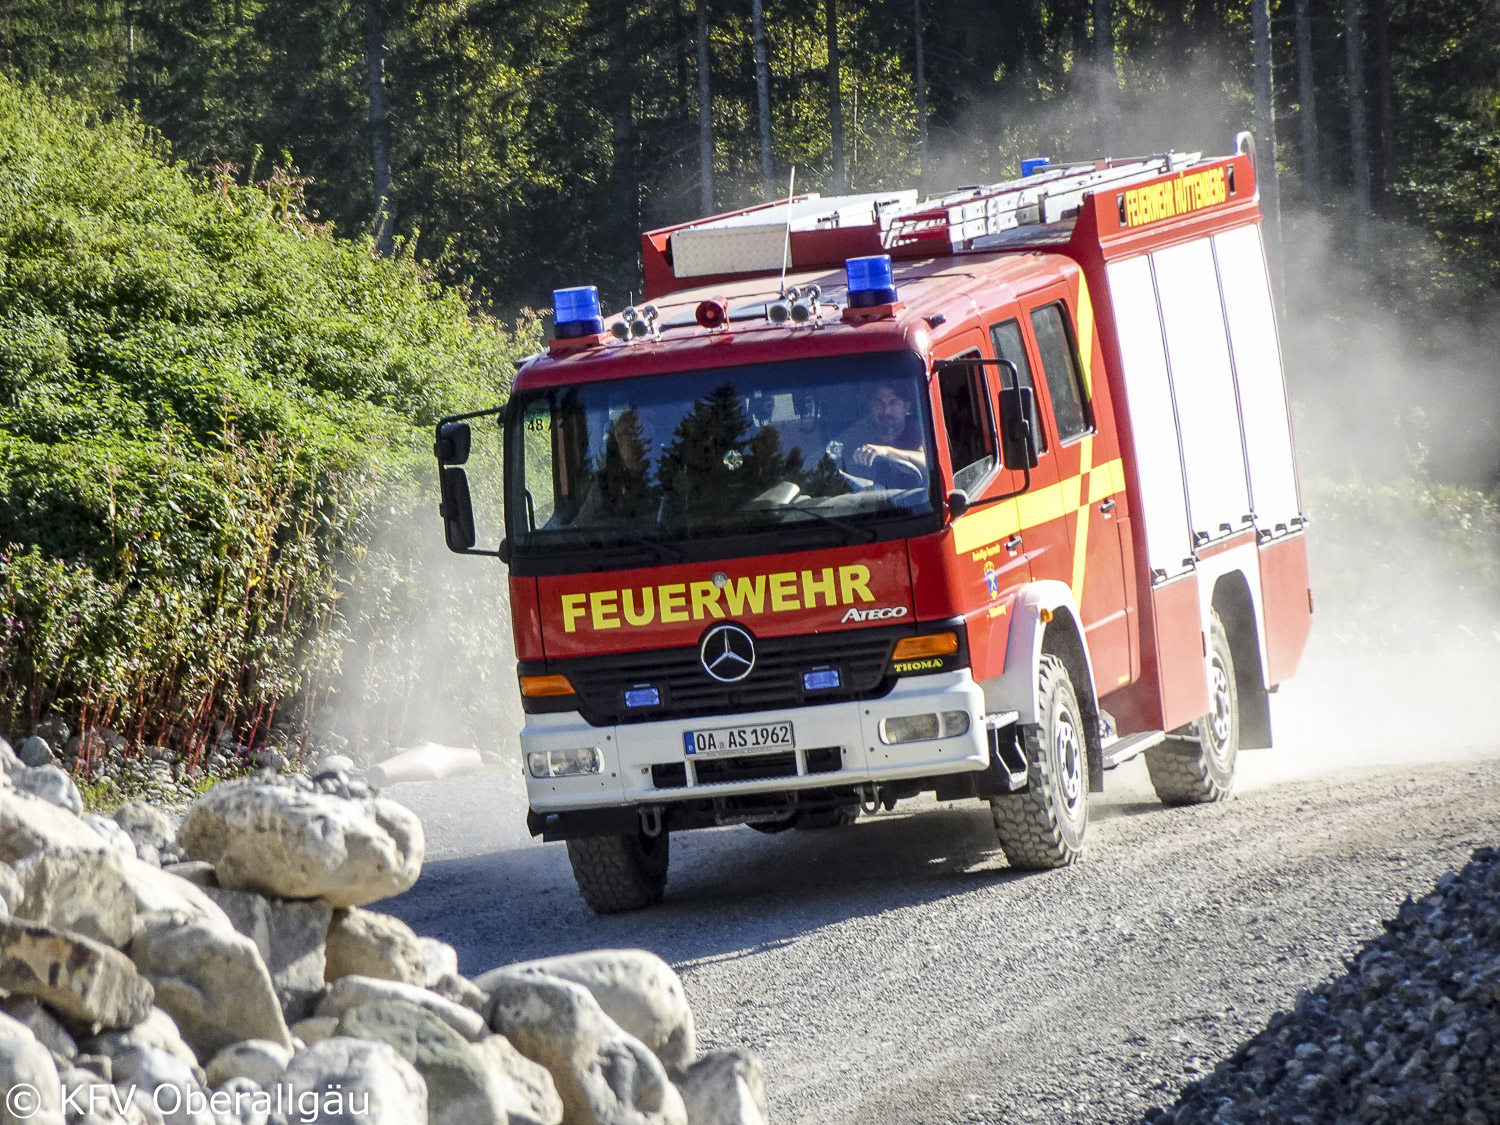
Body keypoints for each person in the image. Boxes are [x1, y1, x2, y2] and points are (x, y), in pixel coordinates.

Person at [835, 381, 927, 485]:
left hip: (915, 498)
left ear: (907, 407)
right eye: (879, 403)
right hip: (865, 498)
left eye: (893, 403)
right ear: (871, 407)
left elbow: (927, 462)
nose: (886, 411)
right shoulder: (857, 434)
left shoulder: (920, 431)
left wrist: (887, 452)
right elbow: (829, 460)